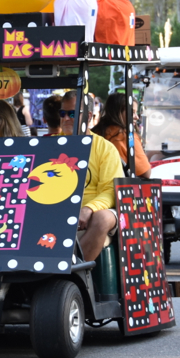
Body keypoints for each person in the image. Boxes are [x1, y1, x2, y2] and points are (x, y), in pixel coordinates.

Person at [60, 91, 124, 261]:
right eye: (62, 113)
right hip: (58, 211)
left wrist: (88, 209)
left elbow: (111, 190)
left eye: (72, 114)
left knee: (103, 218)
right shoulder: (50, 144)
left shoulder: (105, 148)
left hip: (93, 213)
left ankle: (74, 271)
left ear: (88, 117)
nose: (66, 118)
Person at [91, 93, 151, 179]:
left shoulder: (95, 133)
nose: (137, 117)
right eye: (132, 112)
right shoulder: (127, 136)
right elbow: (145, 173)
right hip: (116, 188)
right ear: (118, 112)